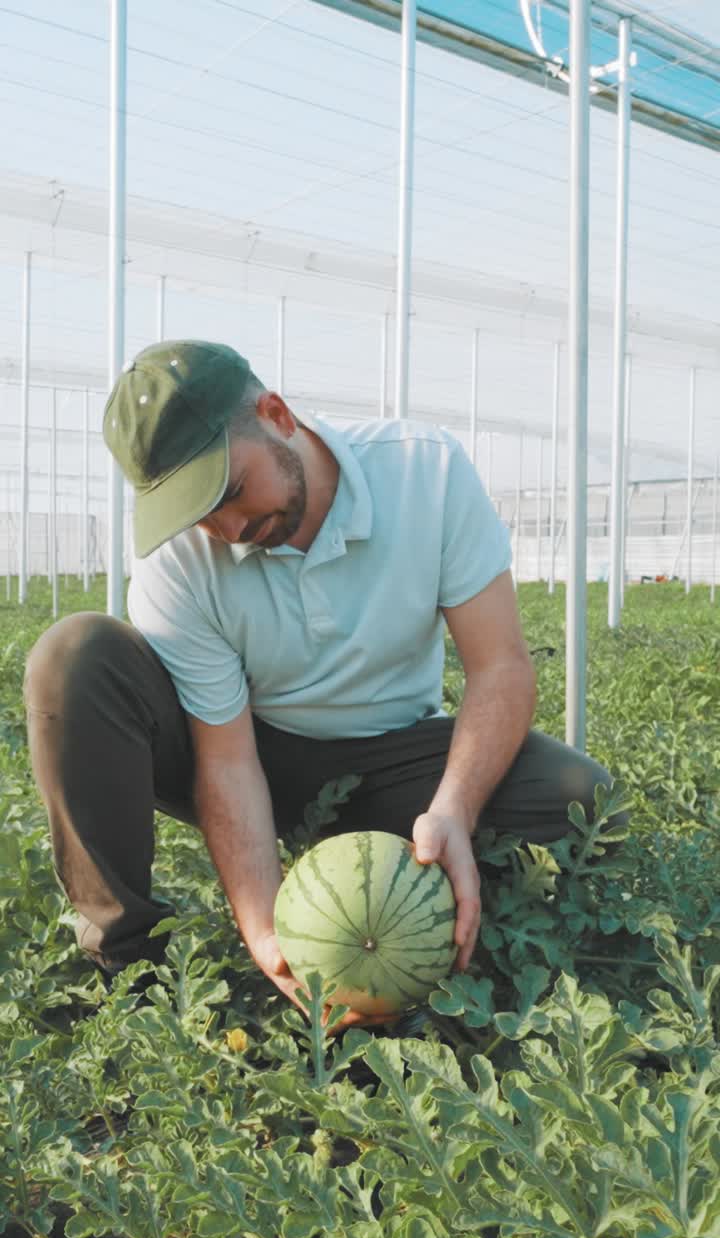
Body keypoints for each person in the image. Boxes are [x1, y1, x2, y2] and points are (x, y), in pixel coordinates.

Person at [24, 339, 617, 1027]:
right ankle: (127, 971)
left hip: (398, 755)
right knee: (75, 656)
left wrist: (454, 806)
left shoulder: (425, 472)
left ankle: (448, 902)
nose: (230, 528)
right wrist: (266, 932)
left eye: (231, 491)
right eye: (199, 514)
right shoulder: (178, 563)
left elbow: (501, 669)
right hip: (261, 752)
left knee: (582, 801)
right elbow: (227, 757)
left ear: (277, 415)